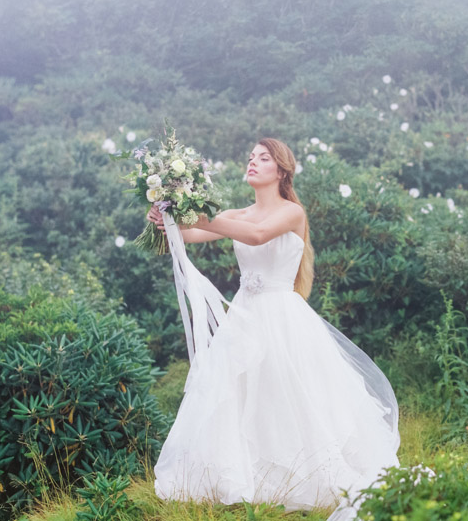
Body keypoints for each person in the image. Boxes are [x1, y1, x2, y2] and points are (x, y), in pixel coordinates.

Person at [147, 138, 399, 518]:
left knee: (288, 392)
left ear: (281, 170)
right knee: (241, 393)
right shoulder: (238, 212)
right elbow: (193, 234)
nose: (253, 162)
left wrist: (196, 215)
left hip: (282, 316)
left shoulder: (292, 213)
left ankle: (303, 471)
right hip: (245, 316)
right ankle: (246, 471)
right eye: (250, 157)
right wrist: (166, 219)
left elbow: (257, 236)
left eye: (263, 158)